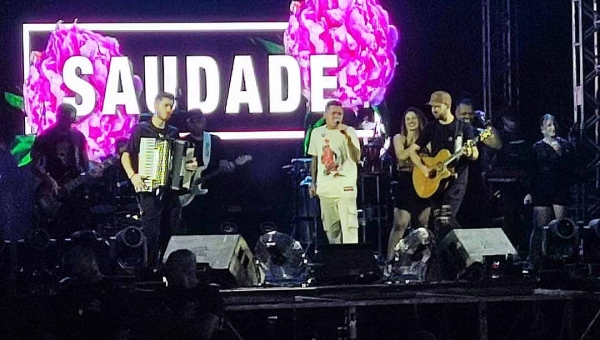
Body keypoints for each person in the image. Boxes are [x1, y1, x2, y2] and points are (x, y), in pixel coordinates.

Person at [408, 91, 478, 280]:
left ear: (447, 105)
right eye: (432, 107)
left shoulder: (463, 128)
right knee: (439, 225)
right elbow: (413, 152)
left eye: (436, 107)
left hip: (456, 181)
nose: (433, 110)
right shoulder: (431, 128)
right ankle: (446, 271)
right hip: (435, 182)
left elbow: (475, 154)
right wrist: (423, 169)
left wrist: (470, 153)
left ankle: (468, 258)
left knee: (446, 218)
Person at [121, 92, 190, 268]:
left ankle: (165, 266)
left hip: (169, 190)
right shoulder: (141, 129)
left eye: (171, 106)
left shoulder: (173, 132)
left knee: (171, 230)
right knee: (151, 232)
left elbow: (180, 159)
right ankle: (149, 267)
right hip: (148, 188)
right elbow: (126, 155)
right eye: (166, 105)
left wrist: (189, 166)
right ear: (156, 106)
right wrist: (133, 176)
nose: (170, 109)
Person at [31, 103, 97, 236]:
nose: (69, 124)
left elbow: (84, 161)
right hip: (53, 187)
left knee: (78, 226)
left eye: (71, 120)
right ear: (59, 117)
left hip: (76, 189)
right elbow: (34, 165)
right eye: (66, 120)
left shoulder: (79, 136)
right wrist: (49, 180)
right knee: (57, 230)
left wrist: (90, 174)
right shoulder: (45, 137)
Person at [524, 114, 575, 267]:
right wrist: (529, 192)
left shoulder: (565, 145)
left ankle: (560, 257)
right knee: (540, 226)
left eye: (553, 125)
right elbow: (532, 171)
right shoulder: (537, 147)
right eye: (548, 125)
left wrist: (562, 152)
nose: (552, 128)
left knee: (560, 226)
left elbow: (571, 167)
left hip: (559, 188)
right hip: (542, 188)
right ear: (542, 129)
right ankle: (534, 258)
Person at [308, 99, 361, 244]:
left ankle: (352, 264)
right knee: (332, 233)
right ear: (325, 115)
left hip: (345, 188)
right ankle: (337, 264)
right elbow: (315, 160)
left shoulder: (349, 132)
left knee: (349, 231)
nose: (336, 116)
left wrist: (348, 138)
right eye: (333, 113)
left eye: (339, 113)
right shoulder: (317, 133)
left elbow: (356, 158)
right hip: (326, 189)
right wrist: (313, 183)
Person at [386, 107, 431, 263]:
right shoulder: (399, 138)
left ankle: (420, 263)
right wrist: (416, 146)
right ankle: (389, 262)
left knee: (422, 225)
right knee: (400, 224)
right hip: (406, 183)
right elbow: (401, 156)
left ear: (419, 120)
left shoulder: (428, 139)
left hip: (424, 184)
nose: (411, 121)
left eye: (414, 118)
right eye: (408, 119)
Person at [180, 110, 235, 234]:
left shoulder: (214, 141)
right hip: (190, 195)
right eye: (194, 121)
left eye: (201, 120)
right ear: (188, 123)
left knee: (212, 227)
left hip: (212, 193)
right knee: (191, 228)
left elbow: (223, 162)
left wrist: (229, 166)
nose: (198, 124)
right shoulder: (183, 142)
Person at [454, 95, 502, 229]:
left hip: (474, 184)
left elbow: (497, 144)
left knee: (478, 223)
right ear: (456, 113)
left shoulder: (477, 132)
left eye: (470, 114)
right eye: (464, 114)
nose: (467, 117)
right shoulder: (449, 131)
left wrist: (486, 122)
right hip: (454, 185)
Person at [159, 249, 223, 340]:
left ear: (184, 269)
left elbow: (204, 332)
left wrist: (179, 320)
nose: (166, 273)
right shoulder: (165, 293)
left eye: (171, 268)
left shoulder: (209, 294)